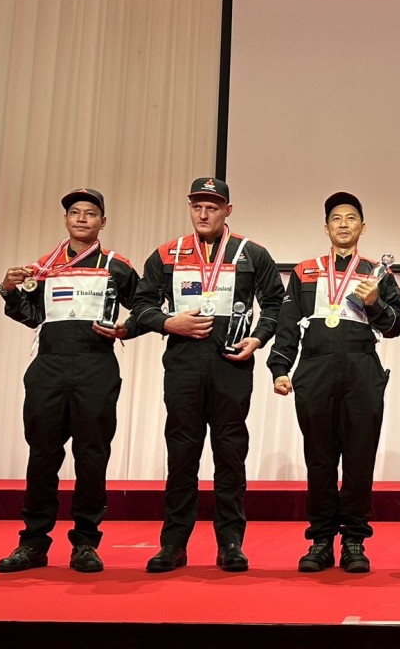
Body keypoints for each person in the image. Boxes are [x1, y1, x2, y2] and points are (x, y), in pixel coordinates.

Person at [132, 177, 284, 573]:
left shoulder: (252, 253)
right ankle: (173, 545)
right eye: (197, 206)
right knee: (182, 455)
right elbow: (142, 305)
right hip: (183, 366)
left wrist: (258, 339)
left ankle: (230, 543)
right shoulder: (166, 253)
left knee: (230, 456)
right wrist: (168, 323)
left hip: (232, 365)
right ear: (190, 208)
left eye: (212, 207)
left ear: (227, 211)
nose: (203, 214)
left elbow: (275, 303)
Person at [0, 188, 140, 574]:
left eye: (90, 213)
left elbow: (144, 306)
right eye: (75, 212)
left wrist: (126, 329)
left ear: (102, 222)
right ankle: (33, 543)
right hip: (48, 365)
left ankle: (86, 543)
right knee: (42, 454)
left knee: (92, 455)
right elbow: (30, 316)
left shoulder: (117, 266)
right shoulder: (44, 267)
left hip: (95, 366)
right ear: (65, 220)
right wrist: (8, 289)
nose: (81, 219)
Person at [268, 192, 400, 573]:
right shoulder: (304, 271)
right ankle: (321, 540)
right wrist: (280, 368)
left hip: (362, 370)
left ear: (363, 227)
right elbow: (286, 325)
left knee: (360, 458)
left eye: (351, 218)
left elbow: (396, 325)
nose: (343, 225)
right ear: (326, 227)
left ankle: (355, 541)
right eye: (336, 219)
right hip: (314, 369)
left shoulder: (377, 273)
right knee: (320, 458)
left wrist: (376, 302)